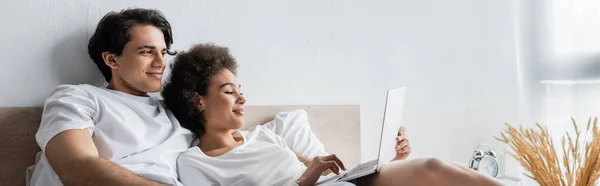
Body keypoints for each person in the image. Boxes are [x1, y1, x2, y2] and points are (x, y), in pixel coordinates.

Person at [161, 43, 506, 186]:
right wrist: (303, 181)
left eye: (240, 88)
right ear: (198, 100)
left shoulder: (262, 135)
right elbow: (307, 176)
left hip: (341, 184)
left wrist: (391, 159)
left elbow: (320, 168)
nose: (241, 97)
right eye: (228, 91)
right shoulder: (195, 162)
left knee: (434, 168)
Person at [29, 8, 193, 186]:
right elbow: (76, 169)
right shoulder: (78, 98)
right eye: (146, 52)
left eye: (162, 53)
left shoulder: (174, 113)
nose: (161, 63)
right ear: (112, 60)